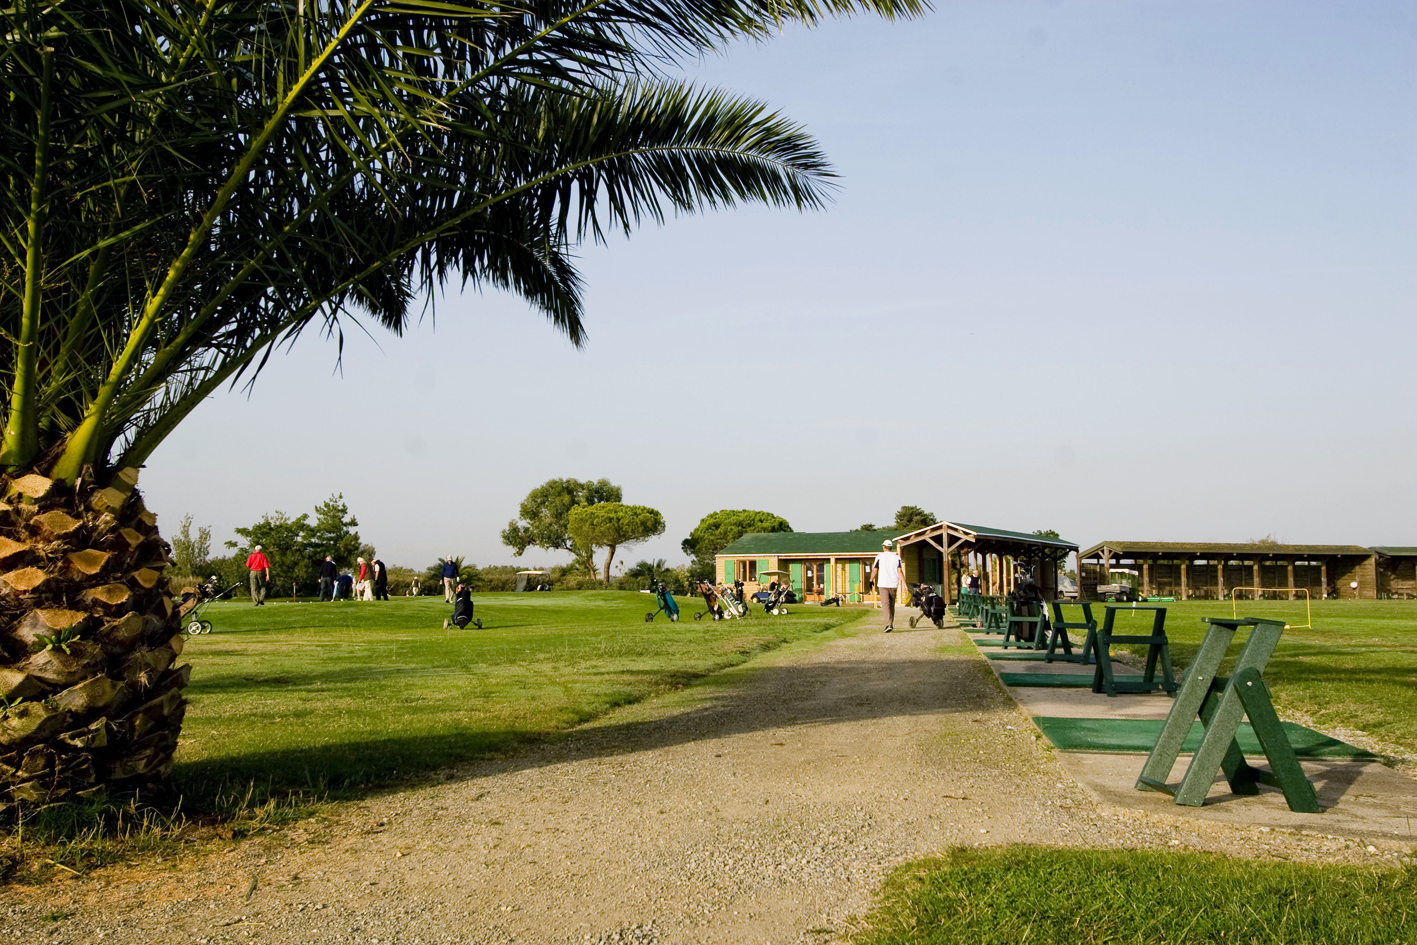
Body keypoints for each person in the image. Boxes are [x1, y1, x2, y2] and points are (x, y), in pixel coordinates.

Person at [870, 538, 907, 633]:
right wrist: (904, 584)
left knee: (885, 604)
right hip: (894, 584)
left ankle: (888, 624)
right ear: (891, 547)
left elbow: (875, 570)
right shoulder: (897, 557)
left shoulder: (879, 557)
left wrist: (871, 580)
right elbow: (900, 572)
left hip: (883, 583)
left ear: (884, 547)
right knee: (891, 604)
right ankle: (890, 623)